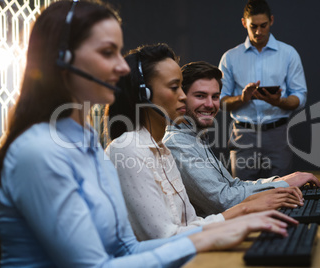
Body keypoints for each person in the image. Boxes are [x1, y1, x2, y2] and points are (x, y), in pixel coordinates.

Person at [0, 1, 297, 267]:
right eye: (108, 52)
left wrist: (223, 228)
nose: (123, 68)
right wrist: (212, 234)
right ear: (64, 60)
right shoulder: (38, 151)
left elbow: (127, 250)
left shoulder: (88, 147)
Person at [105, 43, 298, 242]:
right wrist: (246, 209)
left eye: (181, 87)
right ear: (143, 94)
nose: (182, 96)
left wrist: (252, 210)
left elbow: (190, 221)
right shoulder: (129, 148)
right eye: (175, 88)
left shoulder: (162, 149)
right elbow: (165, 239)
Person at [164, 61, 320, 217]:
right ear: (181, 98)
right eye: (200, 96)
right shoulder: (178, 143)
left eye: (216, 96)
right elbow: (223, 201)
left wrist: (282, 180)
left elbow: (232, 185)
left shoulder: (194, 136)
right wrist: (284, 185)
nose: (210, 104)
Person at [219, 0, 307, 180]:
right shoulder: (230, 58)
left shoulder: (288, 54)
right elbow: (220, 102)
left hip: (277, 136)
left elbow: (300, 97)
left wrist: (278, 102)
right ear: (244, 23)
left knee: (282, 194)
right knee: (242, 196)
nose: (259, 31)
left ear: (272, 21)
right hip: (243, 136)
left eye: (263, 25)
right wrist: (243, 99)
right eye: (253, 26)